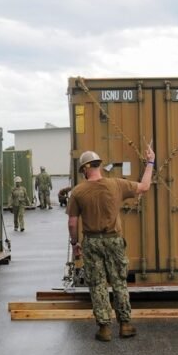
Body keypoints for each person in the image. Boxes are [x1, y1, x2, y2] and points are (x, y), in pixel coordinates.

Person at [68, 145, 155, 342]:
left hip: (91, 242)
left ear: (84, 169)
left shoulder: (78, 192)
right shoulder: (116, 184)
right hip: (114, 241)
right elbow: (144, 186)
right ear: (99, 165)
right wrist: (150, 162)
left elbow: (72, 222)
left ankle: (104, 329)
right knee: (119, 283)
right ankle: (125, 325)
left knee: (97, 284)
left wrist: (75, 244)